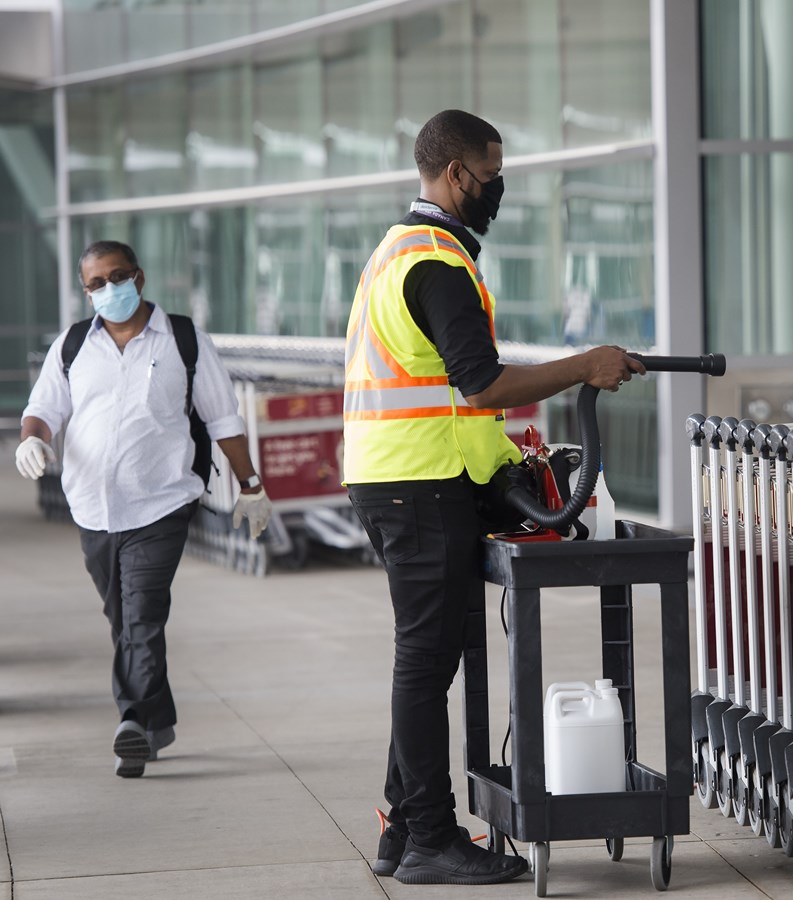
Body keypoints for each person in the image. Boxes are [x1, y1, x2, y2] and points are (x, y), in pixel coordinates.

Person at [343, 108, 645, 886]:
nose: (497, 190)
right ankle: (430, 842)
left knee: (430, 659)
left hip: (406, 479)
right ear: (453, 175)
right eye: (491, 176)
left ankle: (402, 828)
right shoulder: (436, 261)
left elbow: (446, 390)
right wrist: (584, 364)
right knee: (424, 662)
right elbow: (479, 384)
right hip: (415, 485)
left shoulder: (396, 250)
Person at [16, 240, 272, 778]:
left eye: (119, 276)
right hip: (91, 508)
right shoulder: (71, 347)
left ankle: (131, 722)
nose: (110, 289)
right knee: (123, 619)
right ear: (85, 292)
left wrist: (250, 486)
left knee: (142, 615)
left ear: (140, 275)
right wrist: (32, 440)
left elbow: (223, 419)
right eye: (96, 283)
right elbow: (42, 410)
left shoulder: (182, 339)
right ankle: (156, 722)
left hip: (161, 503)